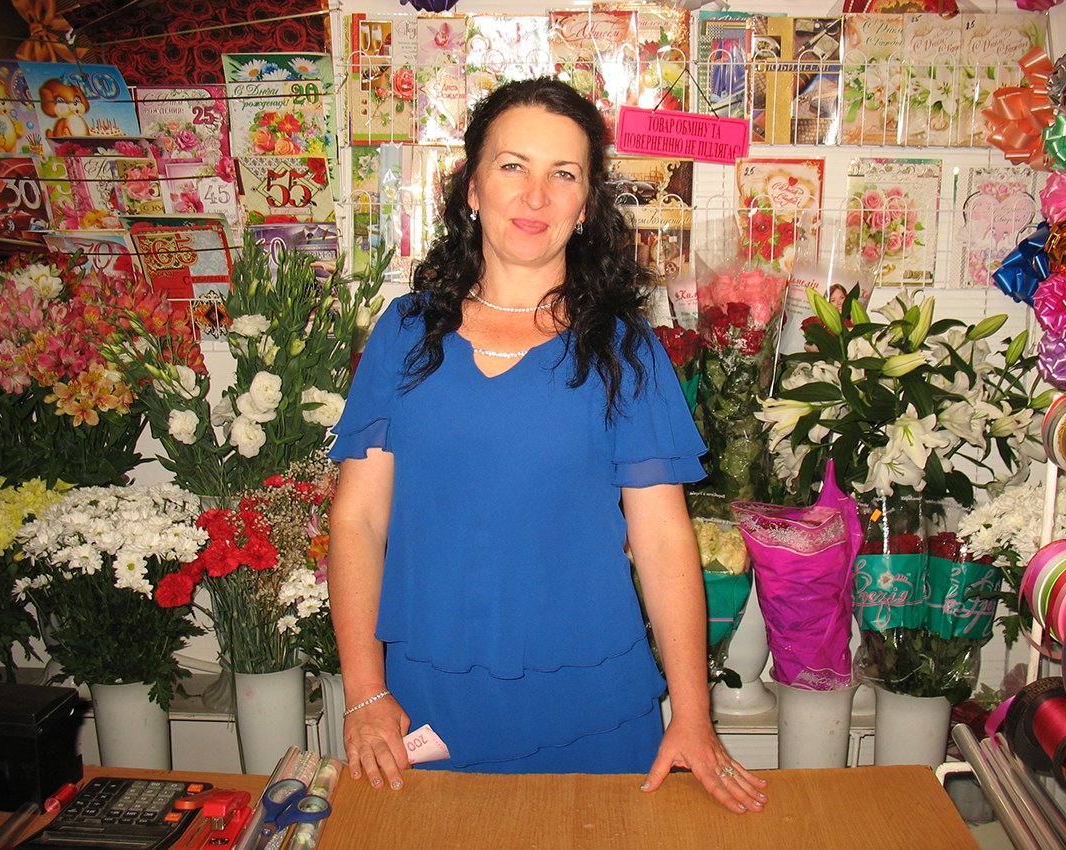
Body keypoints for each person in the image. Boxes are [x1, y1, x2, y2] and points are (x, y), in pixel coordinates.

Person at [326, 76, 768, 815]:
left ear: (586, 204)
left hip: (593, 705)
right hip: (423, 701)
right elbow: (358, 522)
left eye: (563, 174)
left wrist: (694, 715)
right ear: (472, 187)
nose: (535, 196)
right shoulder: (405, 332)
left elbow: (663, 542)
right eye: (513, 166)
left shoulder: (625, 350)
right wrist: (364, 691)